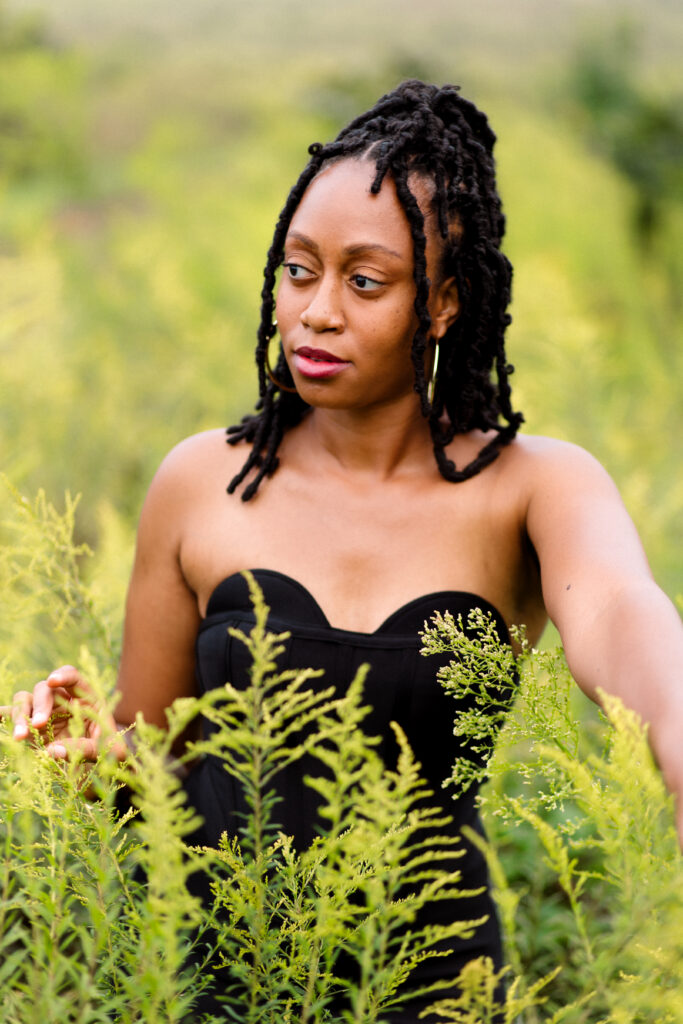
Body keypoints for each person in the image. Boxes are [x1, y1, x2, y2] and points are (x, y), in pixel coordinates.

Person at [5, 80, 683, 1020]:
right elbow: (160, 766)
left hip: (435, 988)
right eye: (298, 270)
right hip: (225, 983)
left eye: (364, 281)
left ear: (442, 303)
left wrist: (676, 727)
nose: (317, 312)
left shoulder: (532, 485)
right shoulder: (204, 481)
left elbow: (619, 609)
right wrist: (88, 757)